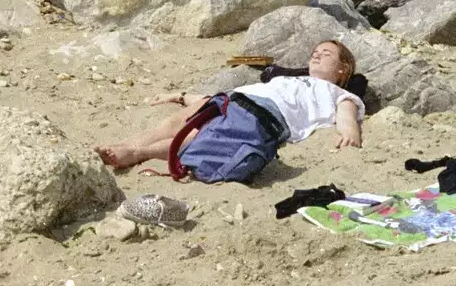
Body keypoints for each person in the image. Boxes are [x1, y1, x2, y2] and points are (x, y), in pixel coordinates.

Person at [94, 40, 365, 182]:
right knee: (173, 122)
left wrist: (349, 134)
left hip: (264, 113)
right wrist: (178, 96)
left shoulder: (339, 93)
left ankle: (137, 154)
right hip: (235, 97)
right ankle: (125, 145)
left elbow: (346, 115)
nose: (316, 55)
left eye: (326, 53)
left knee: (198, 136)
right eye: (315, 52)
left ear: (343, 69)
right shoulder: (288, 78)